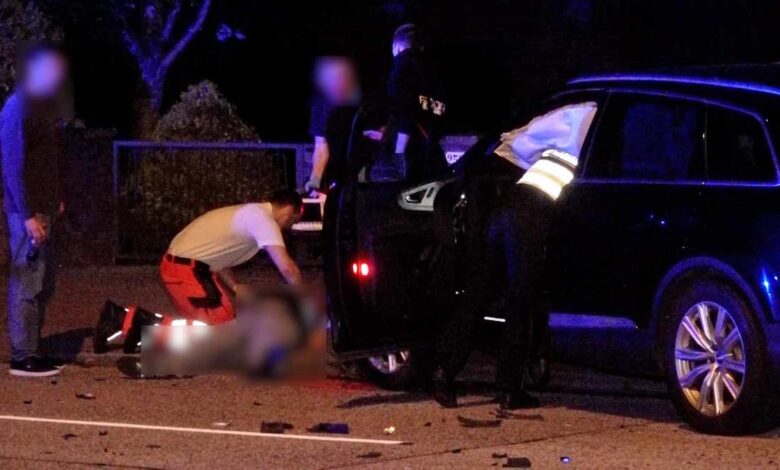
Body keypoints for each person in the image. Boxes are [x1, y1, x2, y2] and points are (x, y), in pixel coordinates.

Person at [432, 102, 597, 409]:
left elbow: (516, 141)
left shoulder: (570, 121)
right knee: (520, 299)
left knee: (481, 292)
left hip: (508, 209)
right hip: (529, 216)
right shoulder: (588, 118)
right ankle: (510, 390)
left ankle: (444, 370)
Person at [94, 190, 305, 352]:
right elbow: (287, 268)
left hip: (189, 267)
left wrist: (235, 287)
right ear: (289, 209)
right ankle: (129, 323)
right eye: (293, 220)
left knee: (225, 325)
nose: (290, 226)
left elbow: (221, 255)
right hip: (187, 269)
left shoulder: (252, 213)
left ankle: (136, 327)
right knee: (221, 333)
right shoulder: (264, 221)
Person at [1, 43, 70, 377]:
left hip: (41, 209)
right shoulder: (19, 107)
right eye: (53, 67)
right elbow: (12, 164)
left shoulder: (42, 107)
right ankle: (22, 355)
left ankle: (32, 348)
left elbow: (43, 162)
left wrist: (53, 198)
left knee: (43, 281)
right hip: (26, 213)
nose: (59, 74)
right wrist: (27, 213)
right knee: (28, 281)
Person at [370, 24, 448, 182]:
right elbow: (441, 108)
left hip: (407, 153)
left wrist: (399, 151)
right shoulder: (431, 69)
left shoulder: (400, 68)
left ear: (396, 46)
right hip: (430, 148)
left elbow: (404, 108)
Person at [304, 57, 362, 194]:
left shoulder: (357, 102)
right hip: (343, 177)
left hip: (358, 174)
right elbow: (321, 144)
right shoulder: (323, 104)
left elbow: (321, 144)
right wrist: (315, 180)